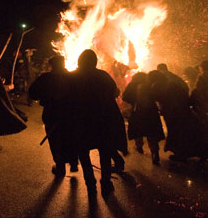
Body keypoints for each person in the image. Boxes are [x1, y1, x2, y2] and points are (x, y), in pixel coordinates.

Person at [64, 49, 127, 197]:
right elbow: (115, 92)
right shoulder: (103, 76)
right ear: (94, 61)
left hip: (80, 122)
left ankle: (90, 184)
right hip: (102, 121)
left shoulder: (72, 77)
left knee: (83, 154)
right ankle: (105, 182)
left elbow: (65, 99)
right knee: (104, 153)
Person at [28, 56, 78, 176]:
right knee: (71, 138)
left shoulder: (45, 78)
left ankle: (60, 167)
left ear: (51, 66)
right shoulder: (73, 77)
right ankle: (73, 162)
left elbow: (33, 93)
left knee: (55, 140)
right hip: (70, 114)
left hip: (52, 113)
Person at [148, 70, 208, 162]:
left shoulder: (157, 85)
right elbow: (184, 93)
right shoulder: (172, 83)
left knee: (177, 134)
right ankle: (201, 152)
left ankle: (181, 154)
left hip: (172, 114)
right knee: (189, 132)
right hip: (184, 111)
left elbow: (153, 97)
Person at [123, 72, 165, 164]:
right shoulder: (150, 84)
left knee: (138, 130)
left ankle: (139, 146)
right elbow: (158, 96)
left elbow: (125, 96)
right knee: (152, 132)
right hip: (151, 111)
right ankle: (155, 152)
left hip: (137, 110)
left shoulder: (133, 85)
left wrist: (133, 101)